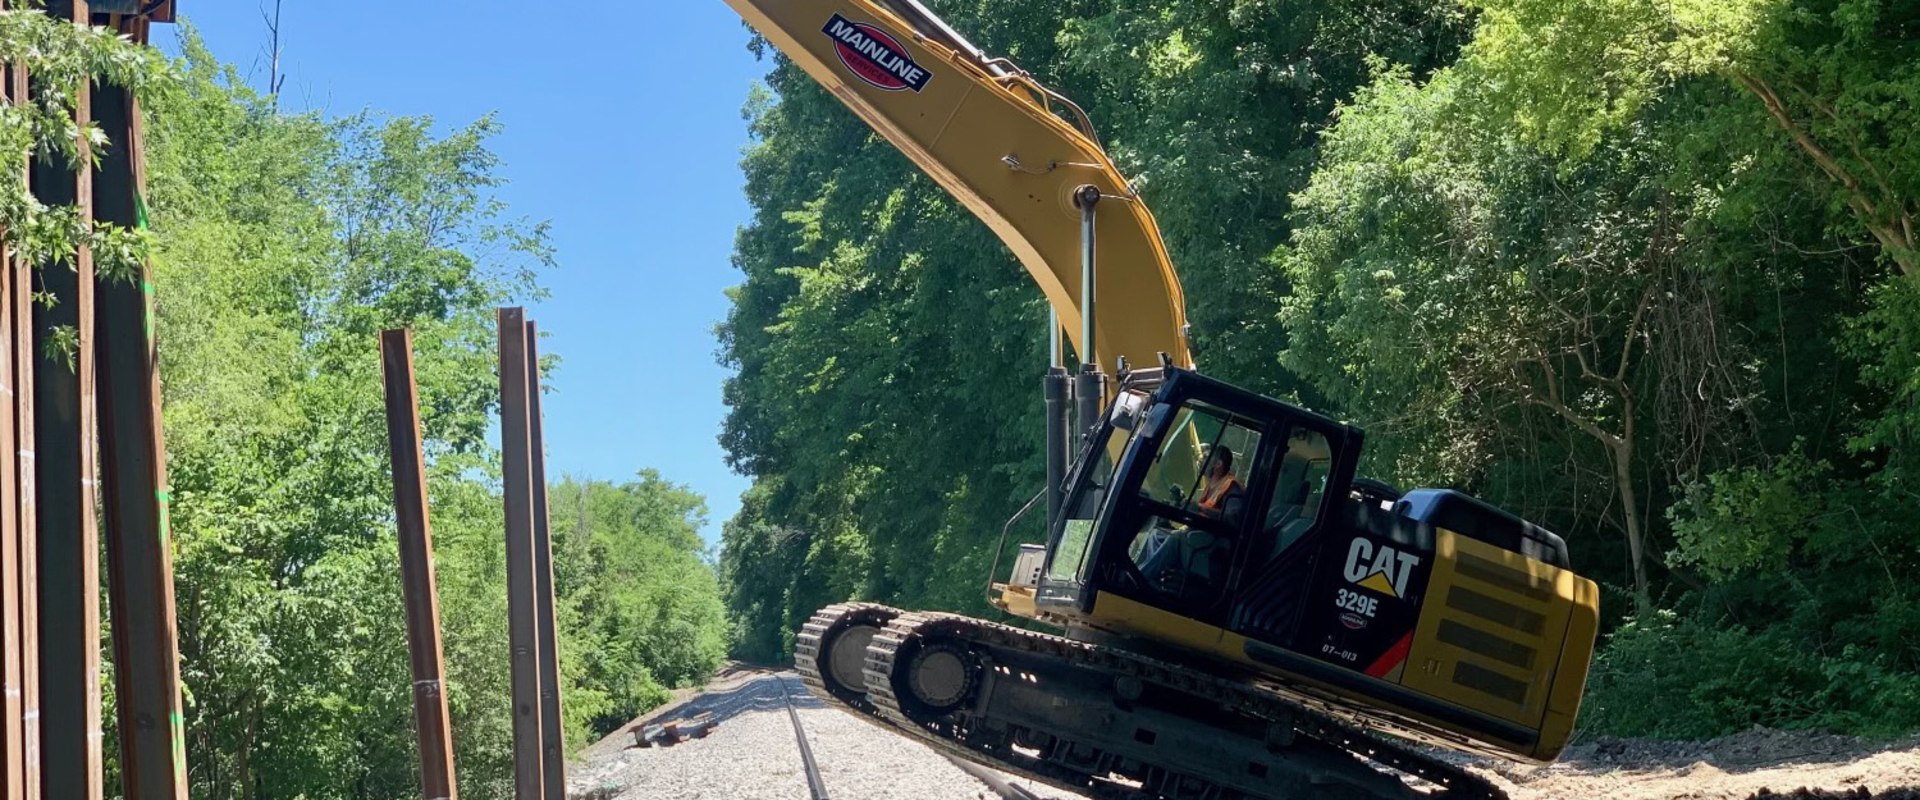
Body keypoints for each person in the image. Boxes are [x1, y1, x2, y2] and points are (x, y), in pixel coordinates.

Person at [1196, 446, 1245, 524]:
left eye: (1206, 458)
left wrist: (1200, 508)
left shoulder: (1232, 488)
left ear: (1218, 464)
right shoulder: (1211, 485)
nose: (1201, 461)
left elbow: (1232, 519)